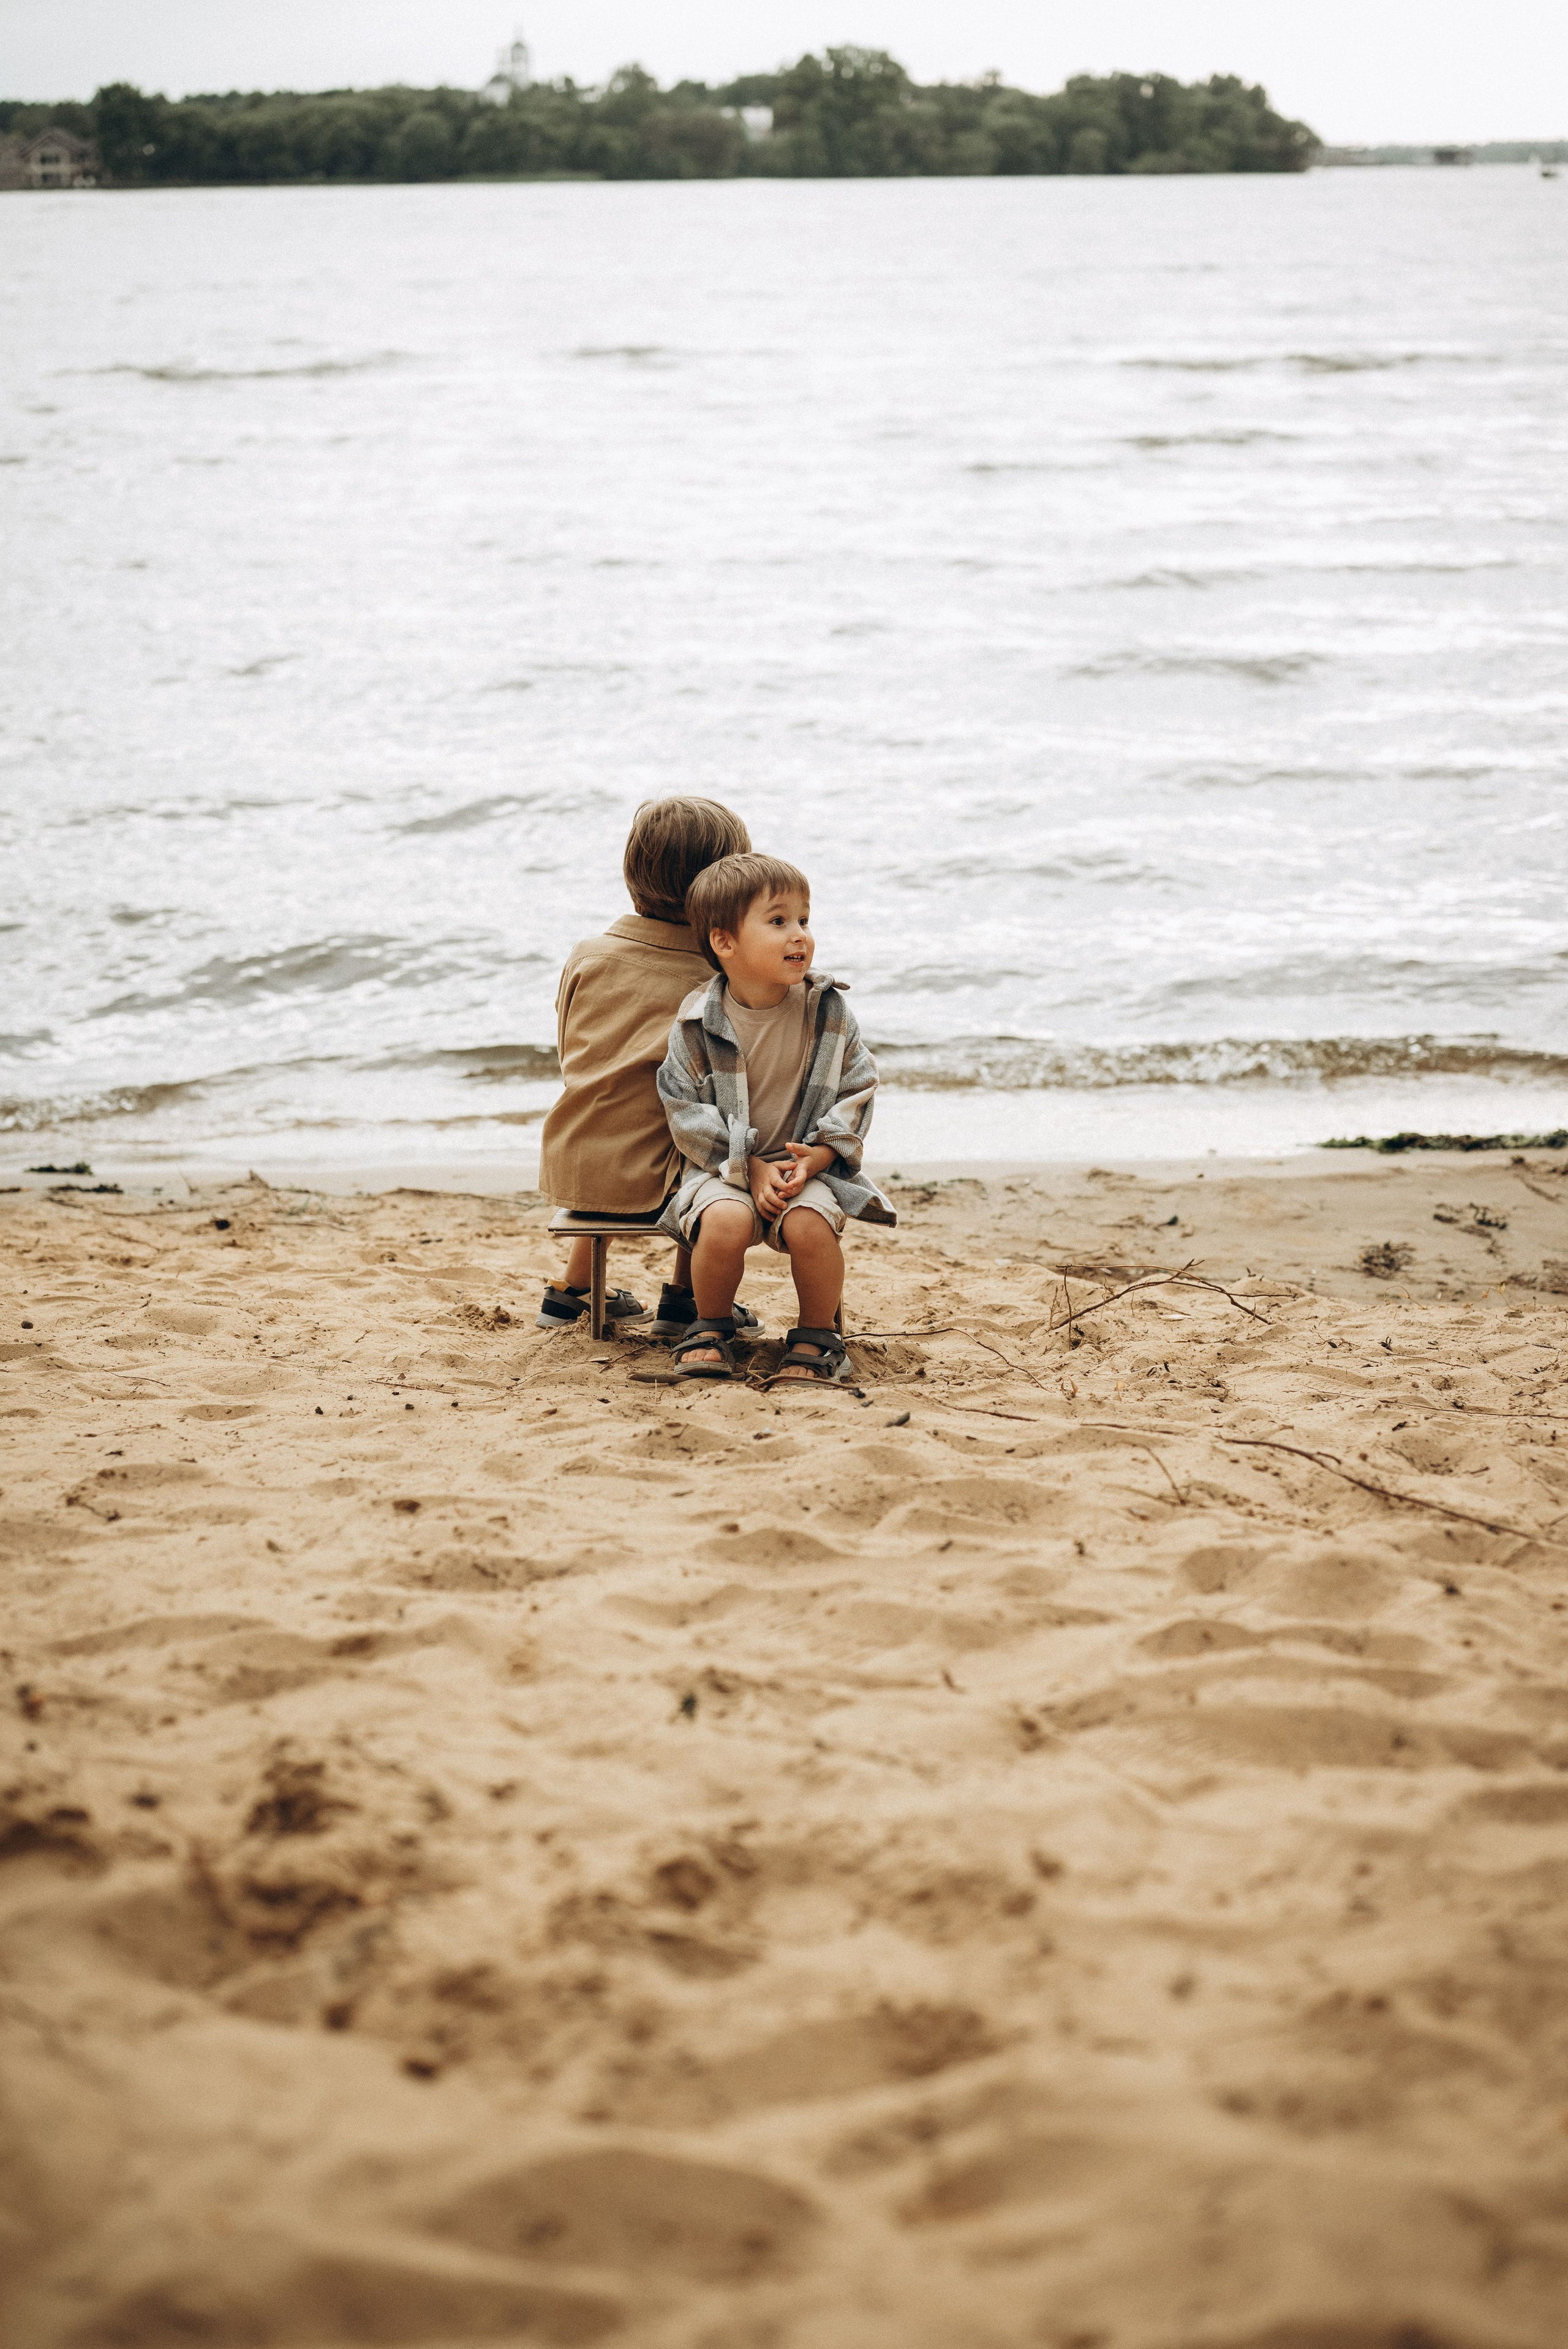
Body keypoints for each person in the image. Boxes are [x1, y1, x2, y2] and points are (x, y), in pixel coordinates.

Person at [655, 852, 895, 1387]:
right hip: (725, 1172)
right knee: (724, 1222)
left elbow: (859, 1087)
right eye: (779, 921)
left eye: (805, 921)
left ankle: (817, 1335)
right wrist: (748, 1166)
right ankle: (711, 1326)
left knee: (810, 1227)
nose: (800, 936)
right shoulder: (697, 1022)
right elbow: (684, 1111)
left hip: (804, 1169)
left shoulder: (827, 1010)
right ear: (725, 942)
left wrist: (823, 1154)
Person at [537, 796, 761, 1338]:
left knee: (618, 1096)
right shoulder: (720, 974)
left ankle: (571, 1291)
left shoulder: (588, 956)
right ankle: (685, 1297)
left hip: (576, 1155)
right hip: (663, 1177)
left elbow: (573, 1050)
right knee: (709, 1126)